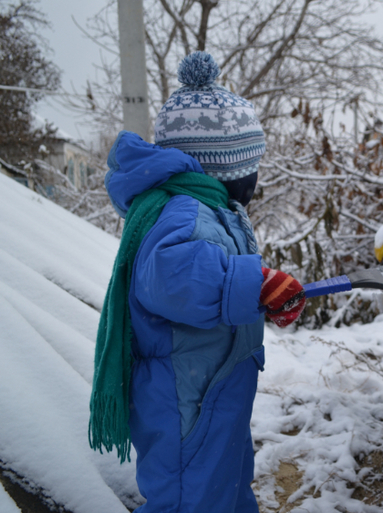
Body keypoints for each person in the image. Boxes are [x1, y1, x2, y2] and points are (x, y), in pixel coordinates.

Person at [89, 51, 305, 513]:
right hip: (186, 400)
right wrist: (251, 285)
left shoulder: (205, 209)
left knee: (225, 490)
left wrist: (264, 294)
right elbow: (172, 275)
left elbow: (214, 275)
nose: (256, 179)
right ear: (225, 168)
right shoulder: (184, 211)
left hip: (209, 389)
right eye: (251, 166)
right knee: (191, 501)